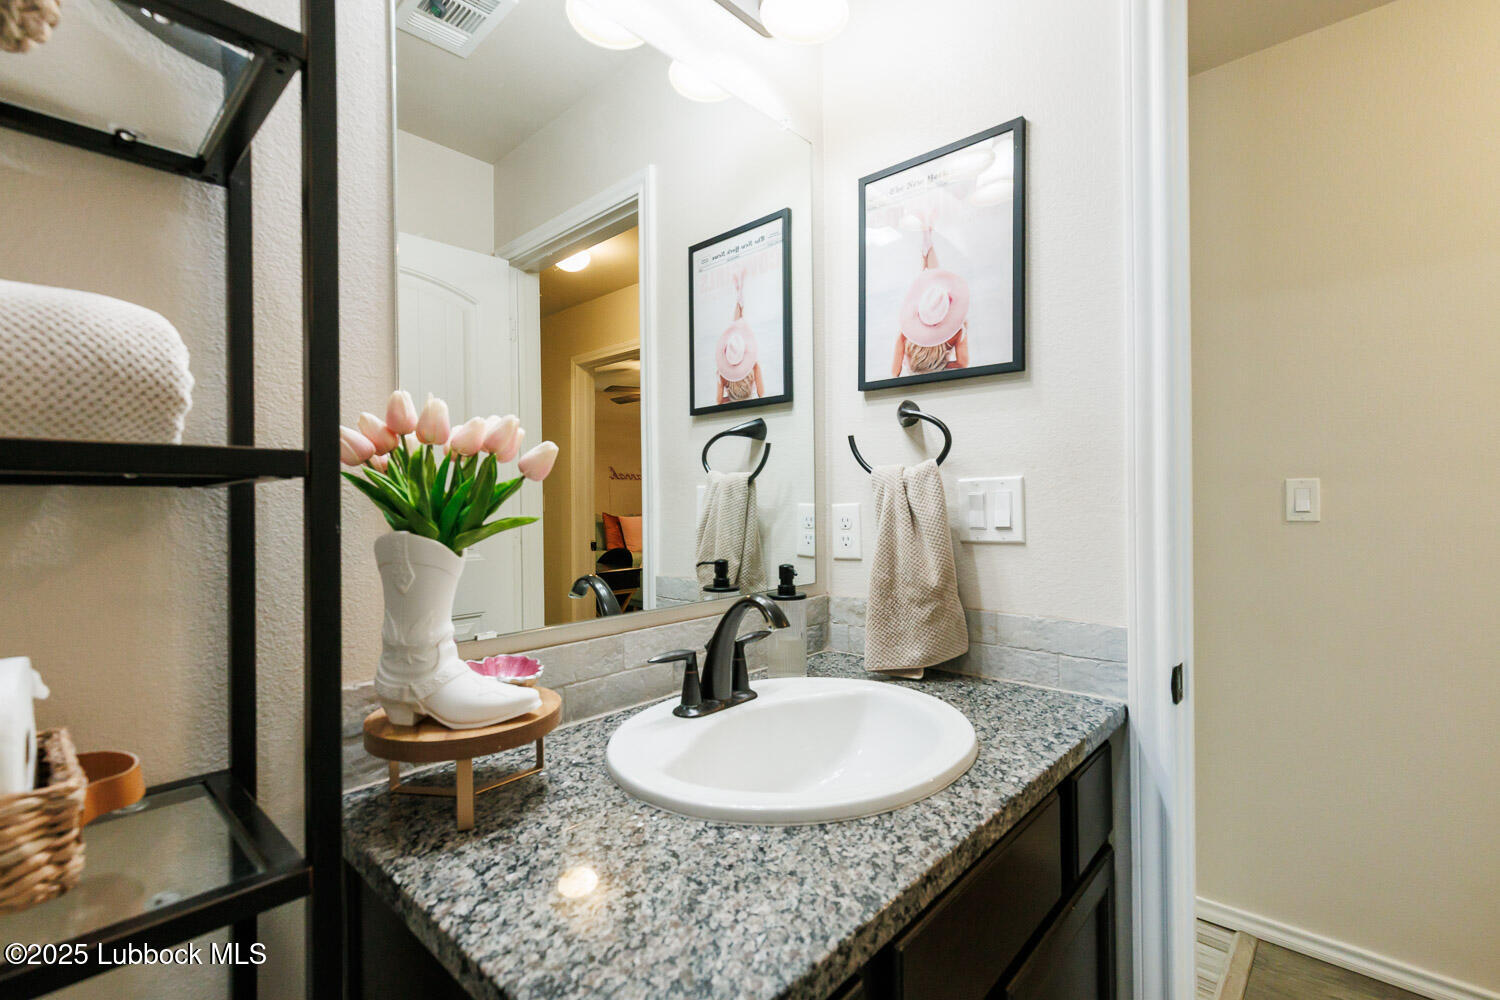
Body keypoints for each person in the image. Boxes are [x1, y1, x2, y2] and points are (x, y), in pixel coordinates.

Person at [891, 224, 971, 377]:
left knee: (929, 288)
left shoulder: (906, 332)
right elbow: (963, 363)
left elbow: (895, 373)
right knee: (932, 289)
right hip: (926, 372)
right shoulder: (957, 332)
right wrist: (939, 366)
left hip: (914, 377)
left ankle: (926, 249)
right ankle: (926, 248)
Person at [716, 270, 764, 403]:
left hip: (734, 404)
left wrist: (731, 399)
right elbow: (761, 394)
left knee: (736, 326)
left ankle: (739, 296)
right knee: (737, 327)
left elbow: (719, 402)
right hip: (750, 401)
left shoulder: (723, 375)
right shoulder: (754, 366)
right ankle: (739, 295)